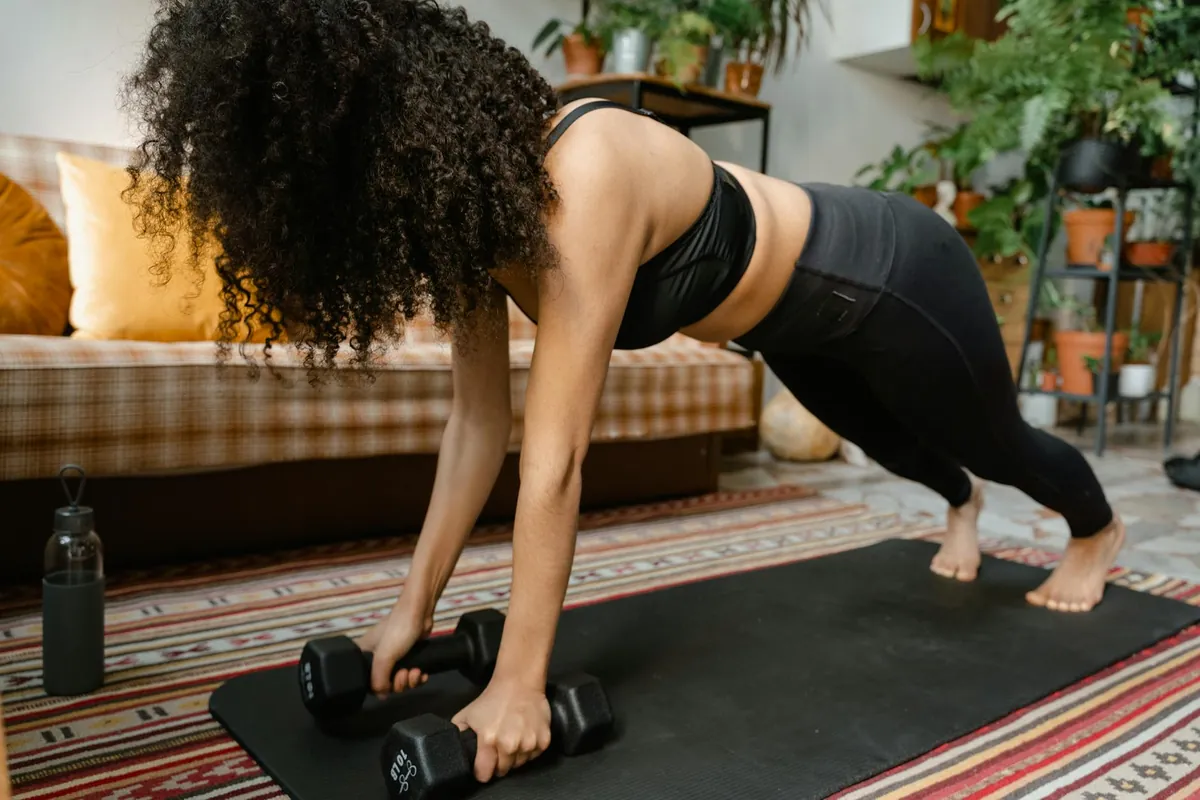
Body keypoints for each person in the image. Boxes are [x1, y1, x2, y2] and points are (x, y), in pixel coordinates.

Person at [122, 0, 1126, 785]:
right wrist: (407, 613)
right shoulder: (471, 226)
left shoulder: (583, 172)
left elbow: (553, 461)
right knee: (898, 448)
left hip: (889, 270)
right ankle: (959, 505)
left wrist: (519, 683)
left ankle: (1095, 527)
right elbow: (477, 424)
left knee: (994, 436)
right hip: (785, 328)